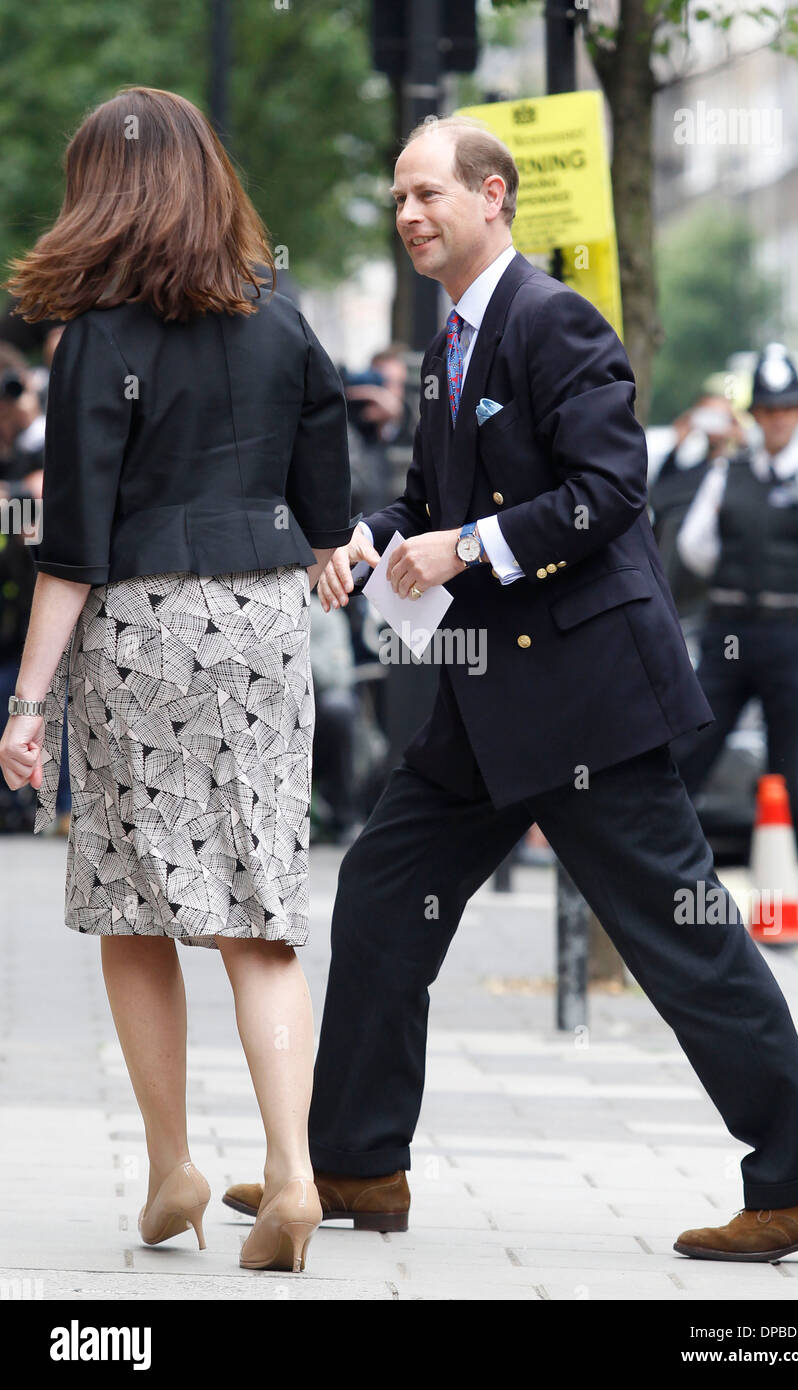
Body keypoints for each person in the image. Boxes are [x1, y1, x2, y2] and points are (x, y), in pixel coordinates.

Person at [223, 117, 798, 1263]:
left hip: (586, 699)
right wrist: (370, 539)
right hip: (486, 705)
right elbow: (426, 500)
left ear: (493, 196)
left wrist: (464, 549)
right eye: (398, 198)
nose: (408, 214)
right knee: (380, 889)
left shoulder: (553, 318)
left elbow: (609, 491)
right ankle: (360, 1162)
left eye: (427, 195)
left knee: (681, 932)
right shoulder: (445, 344)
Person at [0, 86, 355, 1274]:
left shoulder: (96, 337)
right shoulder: (282, 313)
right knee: (259, 912)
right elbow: (327, 510)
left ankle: (172, 1169)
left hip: (143, 624)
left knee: (131, 903)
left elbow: (73, 544)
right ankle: (295, 1175)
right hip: (262, 621)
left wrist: (26, 701)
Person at [674, 344, 798, 837]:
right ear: (755, 415)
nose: (777, 420)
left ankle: (780, 875)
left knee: (786, 761)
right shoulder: (727, 475)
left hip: (791, 633)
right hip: (731, 631)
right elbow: (696, 549)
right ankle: (672, 850)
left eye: (786, 409)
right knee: (692, 750)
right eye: (768, 410)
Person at [649, 392, 744, 620]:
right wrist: (678, 443)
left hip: (722, 595)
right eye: (707, 415)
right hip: (677, 591)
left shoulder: (740, 473)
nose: (714, 425)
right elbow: (660, 499)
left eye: (720, 417)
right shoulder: (687, 475)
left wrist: (742, 441)